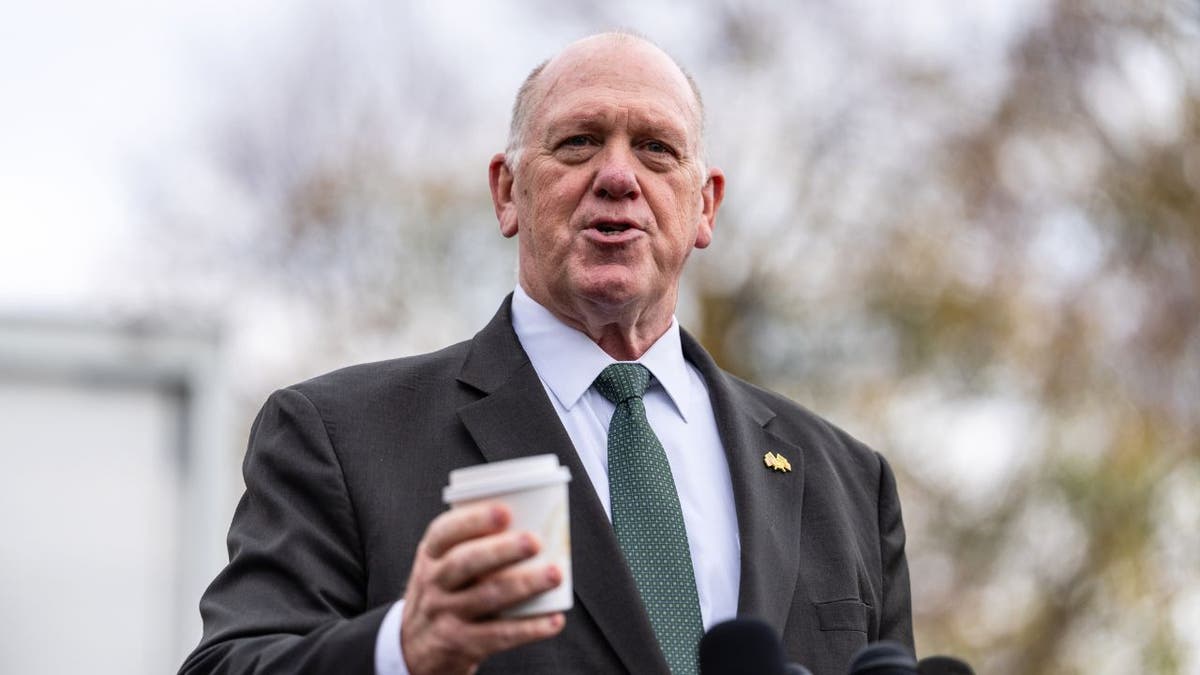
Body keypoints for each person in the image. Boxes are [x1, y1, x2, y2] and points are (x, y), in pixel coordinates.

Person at [180, 32, 912, 675]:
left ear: (705, 207)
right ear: (507, 192)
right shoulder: (342, 438)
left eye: (656, 148)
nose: (619, 176)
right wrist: (402, 649)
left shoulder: (845, 480)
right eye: (578, 142)